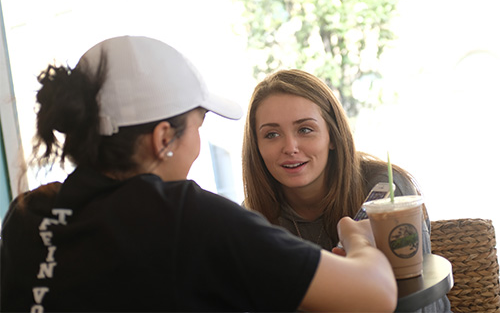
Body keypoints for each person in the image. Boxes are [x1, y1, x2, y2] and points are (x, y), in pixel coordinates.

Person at [0, 36, 397, 312]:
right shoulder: (181, 217)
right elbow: (375, 296)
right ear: (162, 139)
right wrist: (359, 241)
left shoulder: (26, 217)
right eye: (198, 126)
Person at [242, 69, 451, 312]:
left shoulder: (385, 190)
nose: (290, 147)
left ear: (332, 135)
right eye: (272, 134)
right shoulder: (252, 217)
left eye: (305, 129)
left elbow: (419, 303)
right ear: (257, 147)